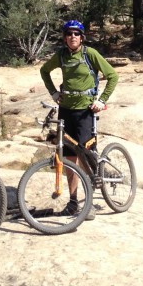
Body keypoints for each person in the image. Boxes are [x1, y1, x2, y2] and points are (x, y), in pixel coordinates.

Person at [39, 19, 119, 219]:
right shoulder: (62, 56)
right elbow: (44, 71)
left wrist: (101, 101)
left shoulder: (89, 54)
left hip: (85, 112)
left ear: (82, 37)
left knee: (85, 155)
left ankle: (89, 201)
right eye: (68, 34)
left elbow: (113, 76)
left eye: (76, 34)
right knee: (68, 158)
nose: (72, 37)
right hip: (65, 111)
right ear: (65, 37)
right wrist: (54, 94)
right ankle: (74, 202)